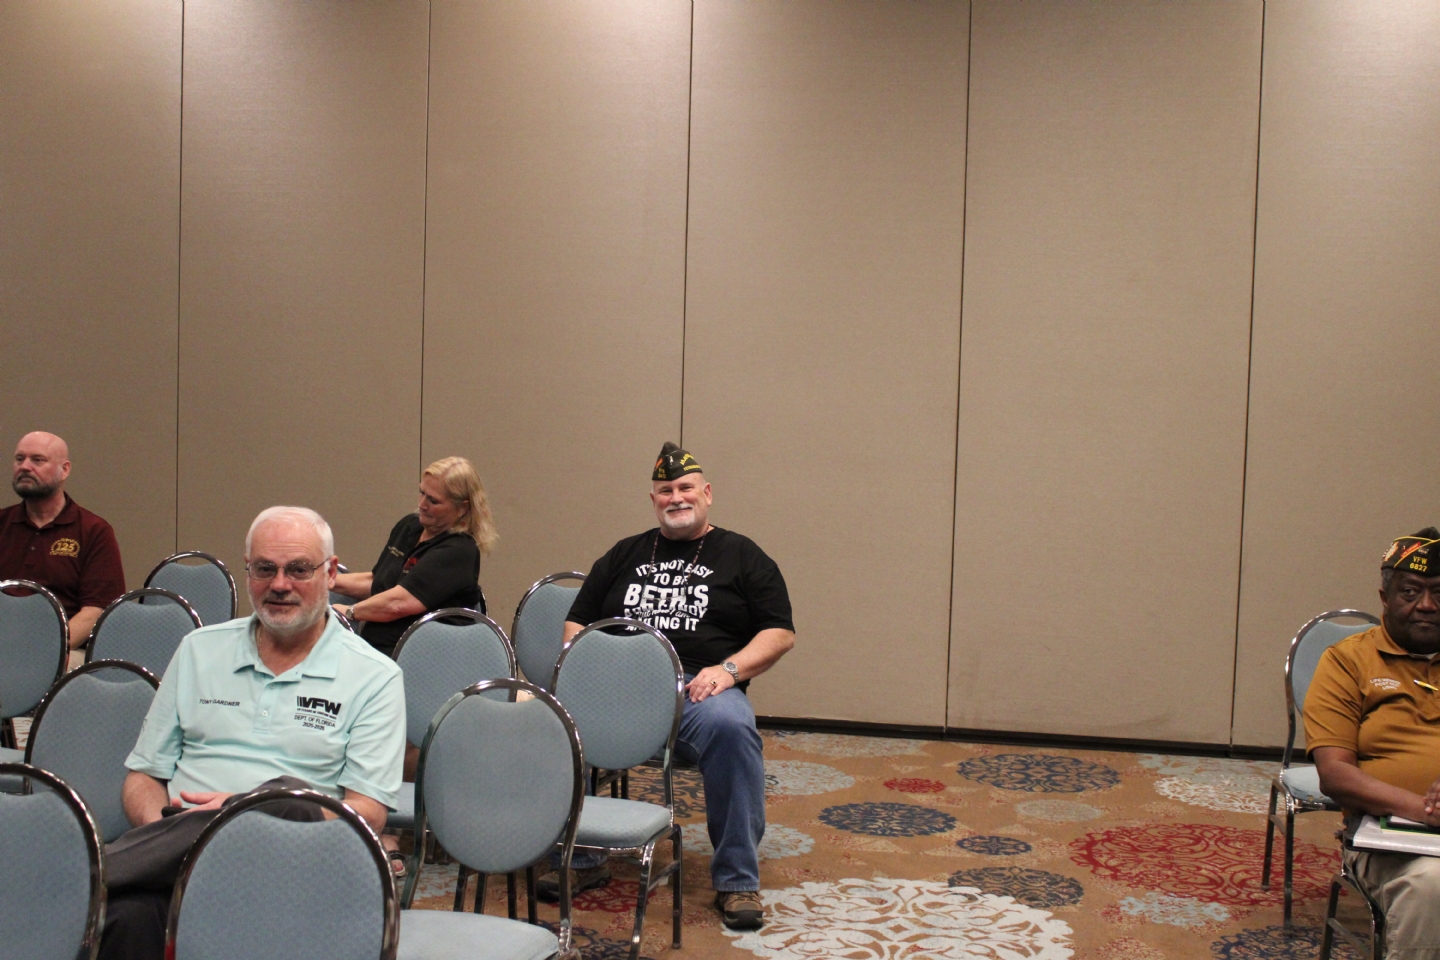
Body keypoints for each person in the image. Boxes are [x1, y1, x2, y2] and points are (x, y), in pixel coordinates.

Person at [103, 506, 405, 960]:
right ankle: (151, 858)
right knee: (124, 916)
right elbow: (143, 776)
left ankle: (92, 870)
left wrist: (241, 814)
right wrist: (169, 839)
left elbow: (368, 812)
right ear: (248, 571)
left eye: (298, 569)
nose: (279, 584)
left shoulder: (374, 676)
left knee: (285, 796)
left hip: (294, 865)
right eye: (265, 569)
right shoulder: (198, 650)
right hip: (179, 864)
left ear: (330, 574)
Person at [549, 441, 795, 932]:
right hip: (620, 685)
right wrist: (585, 669)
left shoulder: (743, 555)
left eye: (686, 488)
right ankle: (583, 858)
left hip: (698, 690)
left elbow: (779, 632)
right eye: (666, 491)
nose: (676, 498)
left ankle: (737, 879)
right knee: (562, 721)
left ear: (707, 493)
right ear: (653, 499)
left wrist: (729, 670)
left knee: (734, 730)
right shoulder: (625, 553)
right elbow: (578, 620)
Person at [1305, 527, 1440, 960]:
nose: (1427, 605)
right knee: (1432, 885)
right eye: (1410, 592)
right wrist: (1425, 810)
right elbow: (1334, 775)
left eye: (1439, 593)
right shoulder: (1348, 660)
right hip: (1390, 839)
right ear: (1385, 597)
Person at [329, 456, 497, 658]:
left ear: (462, 508)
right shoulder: (410, 526)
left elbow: (397, 603)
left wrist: (348, 612)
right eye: (422, 493)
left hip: (421, 658)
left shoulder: (459, 550)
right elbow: (378, 582)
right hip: (375, 648)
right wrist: (324, 579)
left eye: (433, 501)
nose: (422, 504)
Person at [0, 431, 125, 647]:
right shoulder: (3, 523)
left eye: (37, 460)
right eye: (19, 459)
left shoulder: (93, 531)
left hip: (64, 649)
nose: (25, 467)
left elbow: (96, 610)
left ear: (64, 470)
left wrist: (51, 651)